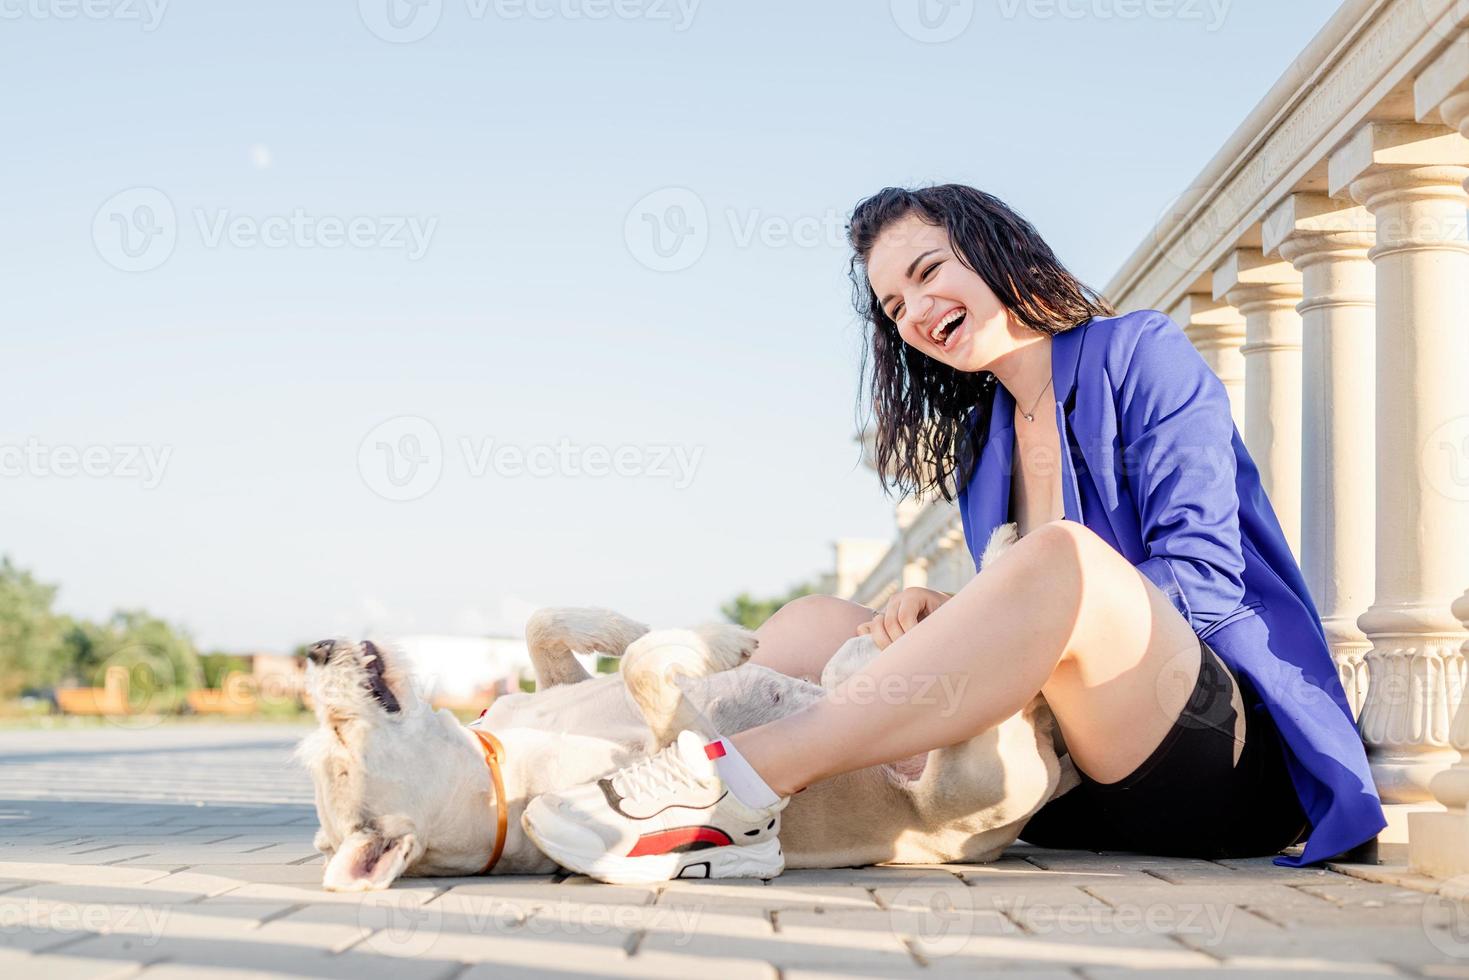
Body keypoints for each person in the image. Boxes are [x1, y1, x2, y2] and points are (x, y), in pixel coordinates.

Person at [522, 183, 1386, 884]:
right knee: (824, 621)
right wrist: (949, 615)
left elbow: (1202, 577)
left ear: (995, 247)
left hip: (1210, 758)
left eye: (929, 270)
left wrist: (1024, 605)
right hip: (1069, 790)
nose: (914, 310)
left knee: (1064, 559)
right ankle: (556, 758)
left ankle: (732, 779)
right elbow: (1021, 619)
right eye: (893, 305)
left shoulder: (1140, 354)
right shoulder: (985, 448)